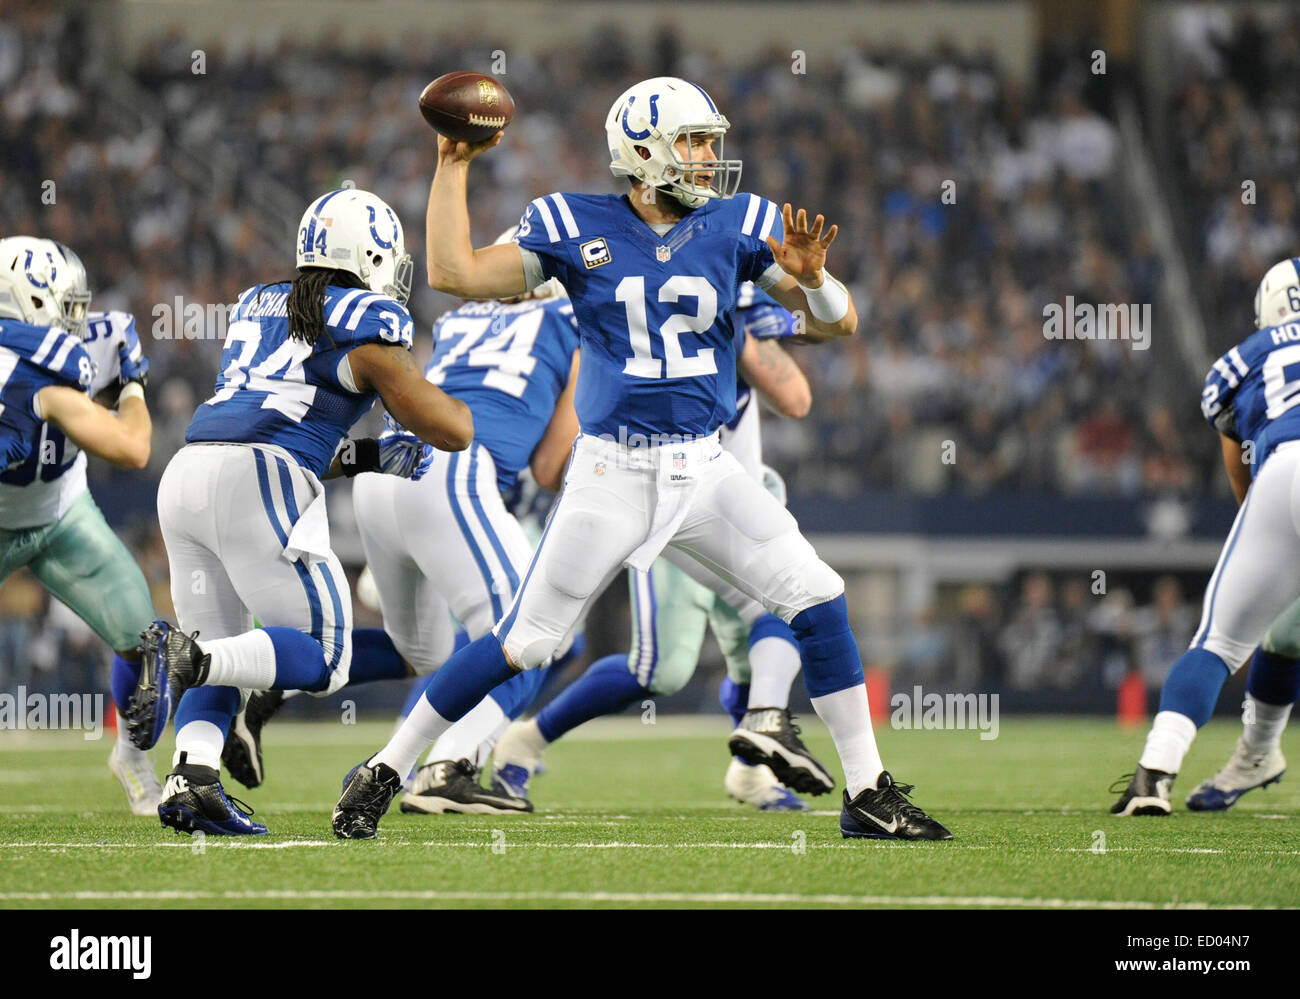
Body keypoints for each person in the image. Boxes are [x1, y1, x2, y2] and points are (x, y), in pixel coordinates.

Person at [334, 77, 951, 841]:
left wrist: (817, 280)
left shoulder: (741, 221)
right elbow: (453, 272)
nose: (708, 156)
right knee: (528, 639)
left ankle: (868, 793)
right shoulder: (572, 222)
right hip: (611, 470)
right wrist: (452, 165)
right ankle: (388, 765)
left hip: (704, 465)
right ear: (643, 151)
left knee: (819, 595)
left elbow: (839, 324)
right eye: (693, 141)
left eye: (709, 141)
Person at [124, 188, 473, 835]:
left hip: (191, 472)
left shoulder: (266, 302)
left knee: (228, 647)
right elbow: (449, 427)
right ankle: (184, 661)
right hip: (259, 479)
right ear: (369, 255)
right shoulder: (367, 320)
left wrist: (366, 454)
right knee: (322, 651)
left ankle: (192, 776)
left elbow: (278, 418)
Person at [493, 285, 831, 811]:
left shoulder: (726, 304)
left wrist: (734, 328)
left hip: (740, 495)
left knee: (778, 624)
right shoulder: (624, 330)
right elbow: (557, 459)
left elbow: (795, 398)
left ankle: (752, 767)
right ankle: (527, 738)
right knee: (661, 670)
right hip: (672, 506)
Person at [1112, 257, 1300, 815]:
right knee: (1285, 637)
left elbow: (1235, 451)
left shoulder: (1245, 357)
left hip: (1282, 471)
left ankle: (1153, 777)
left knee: (1218, 643)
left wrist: (1267, 530)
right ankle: (1257, 752)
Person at [0, 236, 159, 815]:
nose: (80, 320)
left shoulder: (74, 349)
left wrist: (127, 380)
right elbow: (134, 442)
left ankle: (134, 758)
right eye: (67, 306)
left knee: (145, 642)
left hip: (62, 512)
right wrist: (135, 386)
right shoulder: (26, 376)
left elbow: (132, 450)